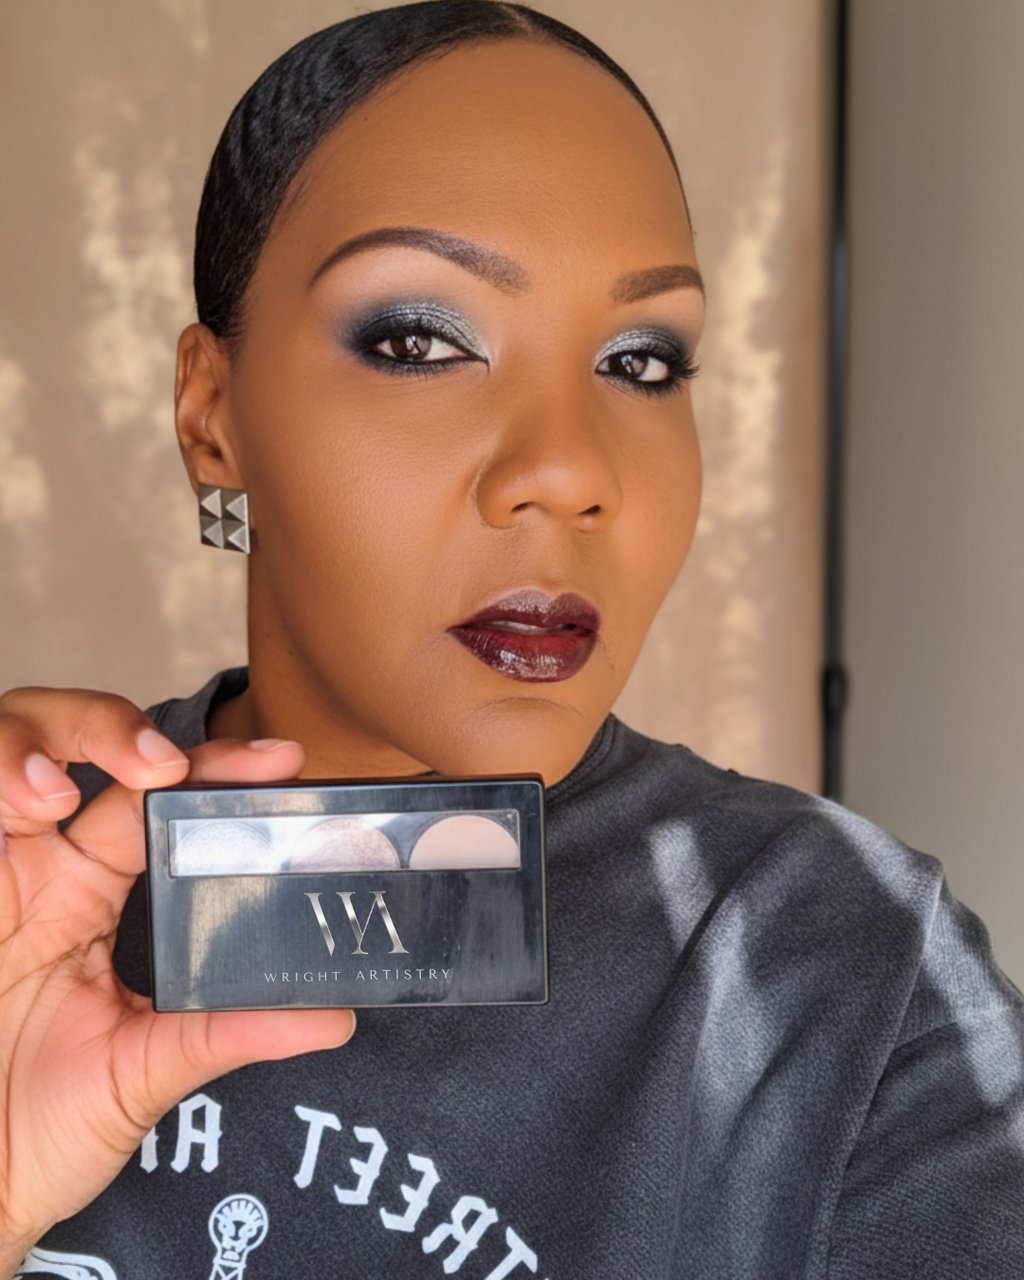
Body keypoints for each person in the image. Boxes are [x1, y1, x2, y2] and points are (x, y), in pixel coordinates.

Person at [1, 3, 1022, 1277]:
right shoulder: (29, 889)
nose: (564, 469)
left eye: (641, 360)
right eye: (421, 340)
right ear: (212, 416)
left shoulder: (847, 973)